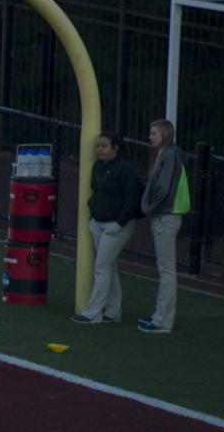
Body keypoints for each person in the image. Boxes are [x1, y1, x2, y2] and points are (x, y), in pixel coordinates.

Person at [72, 132, 142, 325]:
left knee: (102, 267)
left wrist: (119, 223)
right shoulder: (99, 166)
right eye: (98, 146)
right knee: (109, 267)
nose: (99, 150)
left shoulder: (124, 168)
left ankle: (93, 313)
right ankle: (113, 311)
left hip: (115, 225)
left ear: (115, 148)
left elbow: (132, 197)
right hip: (99, 223)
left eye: (104, 146)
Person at [139, 120, 189, 334]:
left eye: (154, 133)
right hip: (164, 216)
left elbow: (163, 187)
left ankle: (163, 321)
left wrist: (150, 206)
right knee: (165, 270)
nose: (150, 137)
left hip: (166, 217)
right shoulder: (166, 154)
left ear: (164, 134)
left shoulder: (170, 155)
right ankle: (160, 316)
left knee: (167, 271)